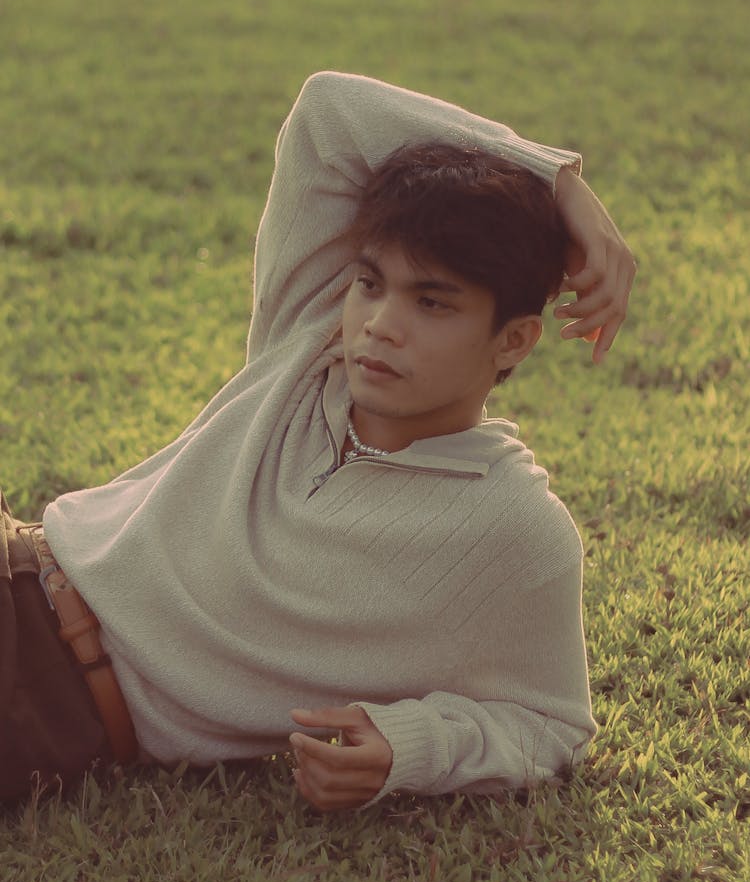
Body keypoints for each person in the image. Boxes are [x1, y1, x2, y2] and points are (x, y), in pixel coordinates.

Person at [1, 72, 635, 810]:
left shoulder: (514, 528)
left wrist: (412, 746)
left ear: (515, 339)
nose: (379, 324)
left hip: (46, 700)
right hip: (23, 558)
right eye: (369, 283)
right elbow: (330, 111)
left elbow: (551, 723)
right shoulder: (309, 345)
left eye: (431, 302)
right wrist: (557, 182)